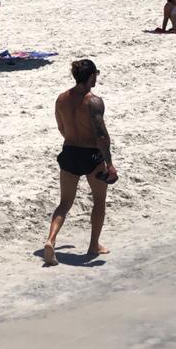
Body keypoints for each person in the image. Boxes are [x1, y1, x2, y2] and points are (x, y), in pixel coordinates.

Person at [43, 59, 118, 266]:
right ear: (91, 76)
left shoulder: (61, 99)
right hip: (91, 156)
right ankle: (94, 245)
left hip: (69, 152)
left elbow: (61, 128)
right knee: (99, 200)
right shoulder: (93, 101)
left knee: (64, 203)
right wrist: (109, 164)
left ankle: (50, 240)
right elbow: (102, 136)